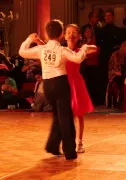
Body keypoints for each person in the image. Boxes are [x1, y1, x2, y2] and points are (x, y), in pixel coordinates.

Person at [19, 20, 96, 160]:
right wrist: (84, 47)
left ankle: (52, 146)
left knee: (57, 116)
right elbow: (78, 59)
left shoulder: (41, 49)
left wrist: (29, 39)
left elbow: (22, 52)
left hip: (47, 86)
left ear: (48, 34)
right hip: (60, 83)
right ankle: (70, 152)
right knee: (65, 117)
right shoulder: (62, 50)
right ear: (61, 35)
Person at [65, 24, 94, 153]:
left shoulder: (79, 51)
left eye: (74, 32)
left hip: (76, 83)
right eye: (68, 32)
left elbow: (94, 49)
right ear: (64, 35)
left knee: (79, 114)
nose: (71, 34)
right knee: (66, 115)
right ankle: (68, 141)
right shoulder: (61, 50)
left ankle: (80, 142)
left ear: (79, 36)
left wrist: (85, 47)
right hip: (64, 82)